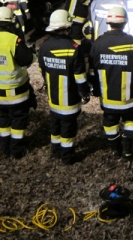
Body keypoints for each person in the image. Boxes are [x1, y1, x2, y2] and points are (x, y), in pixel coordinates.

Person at [89, 6, 133, 160]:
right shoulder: (131, 42)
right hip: (129, 97)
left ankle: (116, 150)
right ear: (125, 22)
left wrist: (94, 88)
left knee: (110, 123)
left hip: (108, 96)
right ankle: (128, 152)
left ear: (108, 22)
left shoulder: (98, 43)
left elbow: (92, 69)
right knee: (131, 121)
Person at [0, 7, 36, 159]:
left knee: (3, 120)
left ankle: (5, 149)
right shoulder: (13, 40)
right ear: (10, 22)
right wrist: (32, 54)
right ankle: (17, 151)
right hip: (17, 92)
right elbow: (26, 60)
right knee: (18, 121)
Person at [38, 10, 91, 165]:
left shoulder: (44, 46)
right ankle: (67, 157)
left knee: (55, 125)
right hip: (70, 98)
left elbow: (42, 69)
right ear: (67, 27)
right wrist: (85, 93)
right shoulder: (74, 48)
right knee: (68, 127)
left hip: (53, 96)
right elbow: (80, 76)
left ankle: (56, 150)